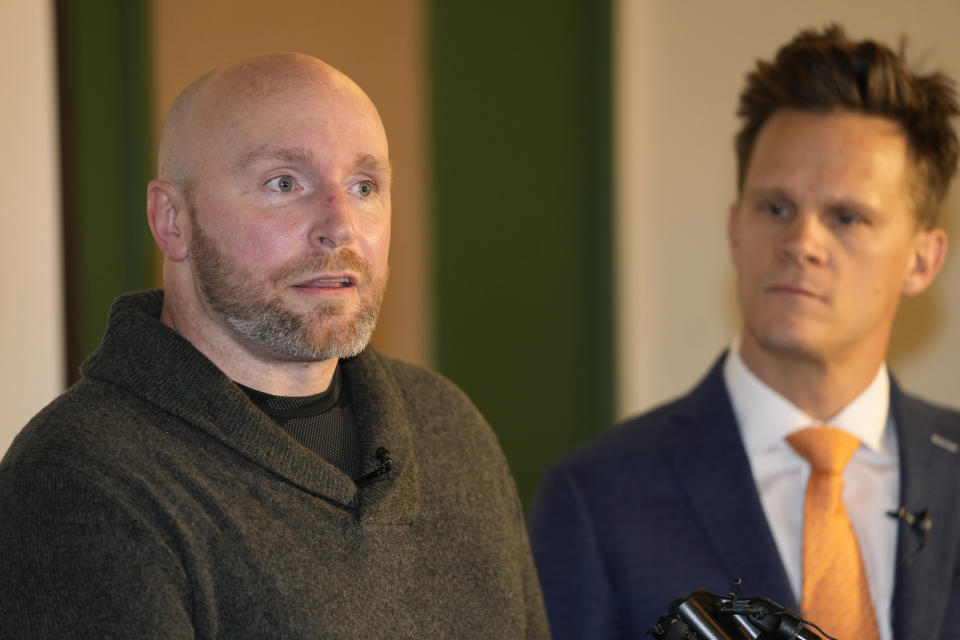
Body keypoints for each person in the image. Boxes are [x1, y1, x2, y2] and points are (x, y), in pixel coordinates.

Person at [0, 53, 549, 638]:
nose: (339, 226)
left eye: (364, 186)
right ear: (172, 221)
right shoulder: (80, 481)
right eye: (284, 183)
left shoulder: (447, 424)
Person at [530, 25, 960, 640]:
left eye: (846, 217)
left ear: (922, 260)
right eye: (776, 209)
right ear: (736, 230)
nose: (801, 243)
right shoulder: (598, 499)